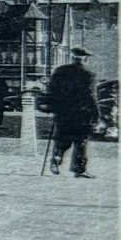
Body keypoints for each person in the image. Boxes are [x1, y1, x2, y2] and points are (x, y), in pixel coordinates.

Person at [46, 47, 99, 178]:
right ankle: (79, 169)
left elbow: (51, 91)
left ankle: (56, 159)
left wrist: (54, 108)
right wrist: (96, 113)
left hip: (62, 112)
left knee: (62, 138)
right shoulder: (88, 73)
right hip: (80, 113)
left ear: (72, 57)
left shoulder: (59, 71)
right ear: (85, 58)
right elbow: (91, 95)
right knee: (80, 141)